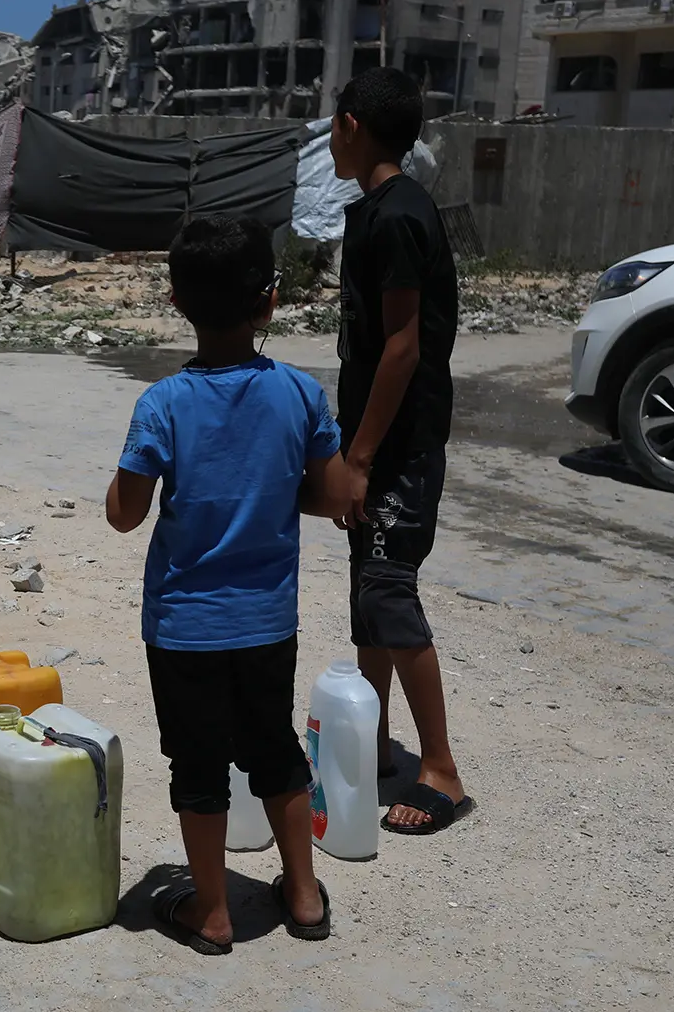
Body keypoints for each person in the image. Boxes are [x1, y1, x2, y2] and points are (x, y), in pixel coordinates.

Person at [106, 215, 346, 953]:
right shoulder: (300, 395)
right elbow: (335, 495)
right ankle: (303, 895)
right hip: (267, 622)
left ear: (176, 303)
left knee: (199, 763)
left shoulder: (163, 405)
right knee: (275, 747)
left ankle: (211, 910)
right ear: (270, 302)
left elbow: (124, 514)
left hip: (185, 626)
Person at [328, 66, 472, 836]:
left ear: (352, 125)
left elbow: (402, 348)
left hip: (401, 444)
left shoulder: (399, 215)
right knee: (366, 604)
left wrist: (360, 457)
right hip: (375, 439)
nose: (327, 139)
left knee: (388, 591)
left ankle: (441, 767)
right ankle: (371, 735)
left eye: (331, 125)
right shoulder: (377, 210)